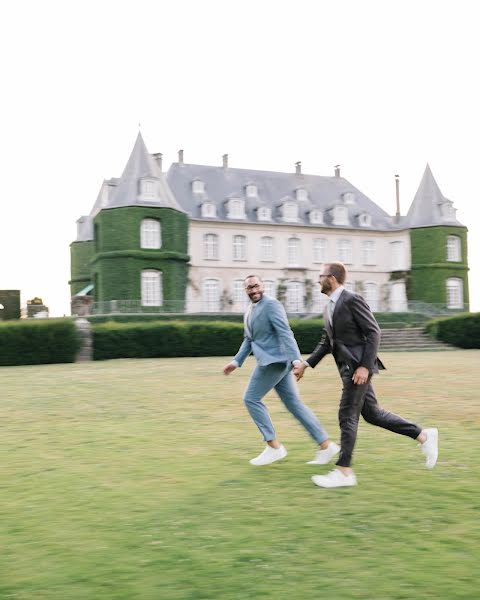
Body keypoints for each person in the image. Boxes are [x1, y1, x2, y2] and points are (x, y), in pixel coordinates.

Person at [294, 262, 438, 488]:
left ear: (331, 278)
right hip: (347, 369)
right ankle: (423, 436)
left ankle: (344, 472)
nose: (317, 280)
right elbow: (327, 342)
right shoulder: (329, 307)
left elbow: (374, 332)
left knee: (347, 415)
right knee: (372, 414)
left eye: (320, 276)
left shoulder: (352, 299)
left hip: (358, 369)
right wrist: (306, 364)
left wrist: (364, 366)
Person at [223, 274, 339, 466]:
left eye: (256, 286)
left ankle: (273, 447)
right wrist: (236, 362)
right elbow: (249, 339)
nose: (254, 290)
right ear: (246, 290)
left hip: (274, 362)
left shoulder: (272, 305)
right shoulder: (250, 310)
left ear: (263, 286)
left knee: (251, 398)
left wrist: (296, 360)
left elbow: (285, 332)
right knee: (294, 404)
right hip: (275, 362)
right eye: (249, 288)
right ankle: (326, 445)